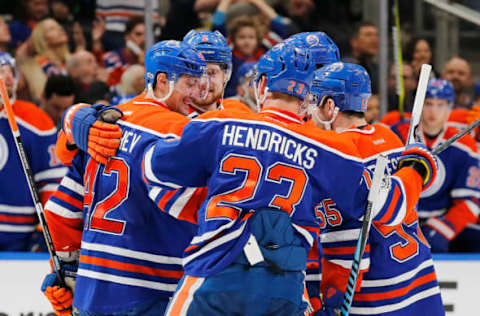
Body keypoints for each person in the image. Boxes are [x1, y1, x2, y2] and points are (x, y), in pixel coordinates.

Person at [142, 43, 437, 316]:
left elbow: (152, 169)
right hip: (284, 287)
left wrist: (204, 210)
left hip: (215, 270)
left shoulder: (221, 122)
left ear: (261, 86)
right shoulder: (333, 149)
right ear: (309, 96)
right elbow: (389, 208)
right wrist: (417, 166)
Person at [41, 40, 208, 316]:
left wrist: (67, 273)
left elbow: (59, 212)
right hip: (155, 291)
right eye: (189, 83)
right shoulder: (182, 132)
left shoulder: (103, 123)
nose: (197, 94)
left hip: (92, 293)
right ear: (163, 80)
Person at [308, 62, 444, 315]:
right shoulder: (388, 135)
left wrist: (332, 298)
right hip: (419, 275)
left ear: (329, 106)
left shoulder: (336, 154)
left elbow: (345, 237)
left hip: (376, 291)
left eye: (315, 100)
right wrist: (419, 165)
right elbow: (414, 193)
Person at [391, 79, 480, 253]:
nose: (434, 111)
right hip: (397, 221)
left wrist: (444, 228)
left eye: (440, 105)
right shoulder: (397, 135)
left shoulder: (464, 144)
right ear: (419, 105)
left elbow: (471, 201)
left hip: (439, 220)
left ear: (450, 108)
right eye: (429, 104)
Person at [0, 52, 66, 251]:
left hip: (20, 235)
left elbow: (53, 182)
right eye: (1, 71)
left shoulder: (35, 119)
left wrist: (45, 229)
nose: (8, 77)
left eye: (11, 71)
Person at [102, 17, 145, 87]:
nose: (144, 39)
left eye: (147, 35)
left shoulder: (152, 61)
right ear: (127, 37)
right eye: (138, 34)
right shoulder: (109, 59)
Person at [344, 22, 379, 93]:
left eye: (376, 35)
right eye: (368, 35)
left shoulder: (376, 68)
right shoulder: (345, 68)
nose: (374, 39)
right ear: (354, 42)